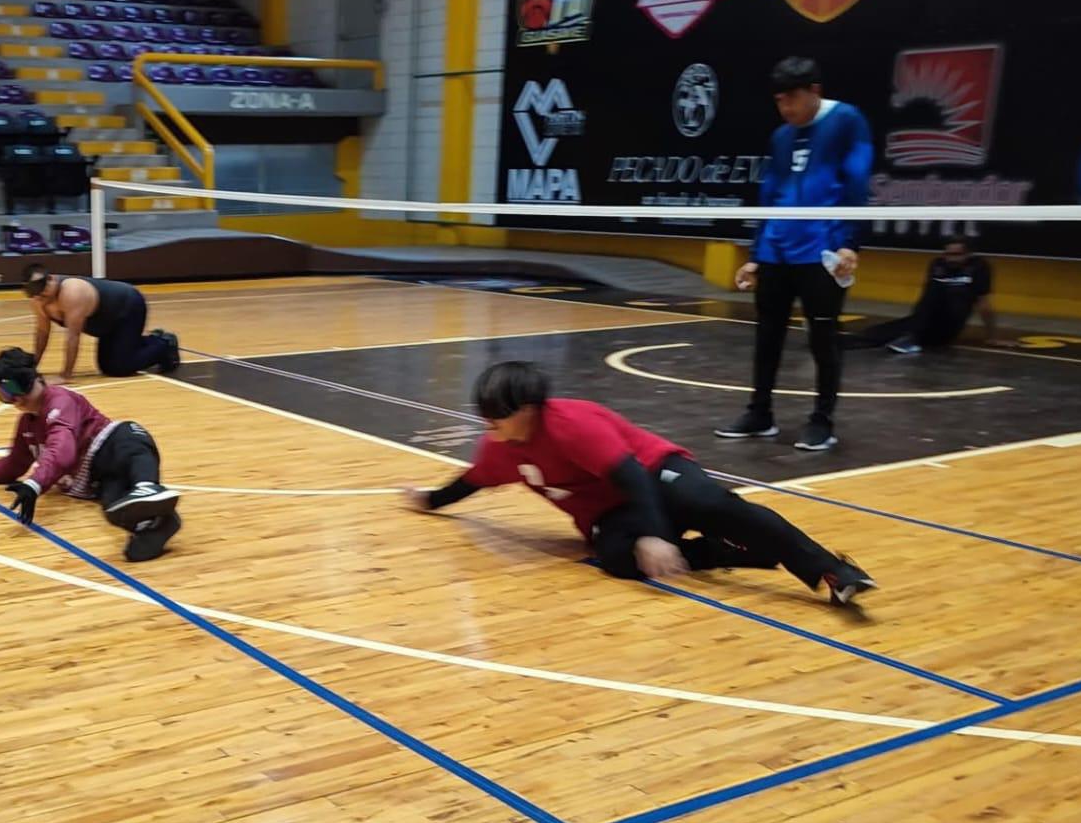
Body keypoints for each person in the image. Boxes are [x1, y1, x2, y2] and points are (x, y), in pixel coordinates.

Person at [404, 361, 875, 605]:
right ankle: (722, 552)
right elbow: (472, 481)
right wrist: (430, 500)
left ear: (525, 411)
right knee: (616, 560)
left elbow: (632, 476)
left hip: (654, 473)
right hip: (612, 512)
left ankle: (833, 572)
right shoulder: (500, 447)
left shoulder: (571, 425)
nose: (487, 426)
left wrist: (653, 535)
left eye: (495, 417)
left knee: (714, 505)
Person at [716, 58, 874, 452]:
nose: (786, 108)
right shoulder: (782, 136)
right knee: (767, 335)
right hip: (777, 251)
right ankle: (759, 414)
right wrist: (756, 254)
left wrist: (850, 243)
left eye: (793, 99)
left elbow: (857, 183)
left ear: (814, 91)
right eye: (779, 101)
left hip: (823, 251)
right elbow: (770, 195)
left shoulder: (847, 120)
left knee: (823, 338)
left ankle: (822, 421)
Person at [0, 347, 182, 562]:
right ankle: (156, 523)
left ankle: (147, 486)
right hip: (99, 477)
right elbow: (12, 466)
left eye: (10, 391)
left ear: (26, 382)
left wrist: (35, 484)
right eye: (1, 395)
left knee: (131, 450)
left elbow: (63, 450)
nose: (10, 400)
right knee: (114, 509)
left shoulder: (60, 400)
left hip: (114, 442)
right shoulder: (28, 424)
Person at [23, 265, 178, 381]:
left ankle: (164, 344)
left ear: (51, 279)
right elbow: (42, 333)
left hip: (128, 308)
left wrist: (65, 375)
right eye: (37, 295)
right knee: (106, 367)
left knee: (120, 368)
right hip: (106, 324)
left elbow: (73, 336)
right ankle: (146, 341)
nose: (41, 298)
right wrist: (33, 367)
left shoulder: (72, 292)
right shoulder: (38, 300)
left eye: (43, 292)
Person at [872, 237, 1001, 354]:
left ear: (968, 254)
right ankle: (911, 336)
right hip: (928, 318)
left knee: (945, 291)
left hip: (950, 322)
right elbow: (925, 301)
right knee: (877, 333)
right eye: (948, 254)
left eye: (957, 255)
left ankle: (914, 339)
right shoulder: (938, 264)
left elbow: (983, 303)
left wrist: (992, 336)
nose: (951, 259)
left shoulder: (979, 267)